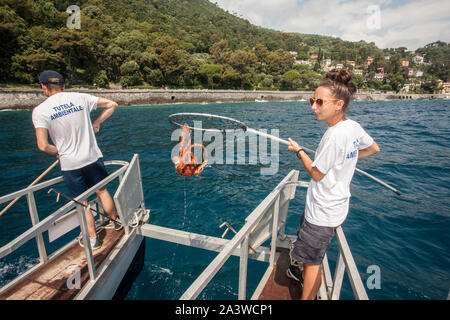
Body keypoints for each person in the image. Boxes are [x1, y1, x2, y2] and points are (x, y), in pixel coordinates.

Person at [286, 69, 380, 300]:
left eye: (319, 102)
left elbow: (316, 174)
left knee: (312, 264)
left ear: (338, 104)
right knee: (313, 260)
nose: (313, 106)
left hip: (322, 212)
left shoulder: (334, 136)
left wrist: (299, 151)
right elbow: (372, 148)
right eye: (312, 100)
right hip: (336, 207)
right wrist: (344, 161)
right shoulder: (353, 127)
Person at [32, 70, 121, 250]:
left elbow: (43, 145)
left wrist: (58, 151)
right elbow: (112, 104)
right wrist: (96, 123)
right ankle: (115, 223)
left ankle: (93, 239)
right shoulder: (80, 98)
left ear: (43, 87)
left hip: (70, 163)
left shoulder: (40, 111)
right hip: (92, 156)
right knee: (102, 191)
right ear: (63, 85)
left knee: (83, 201)